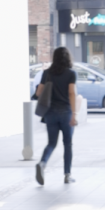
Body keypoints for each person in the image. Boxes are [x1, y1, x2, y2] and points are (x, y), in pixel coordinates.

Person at [35, 46, 78, 186]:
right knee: (67, 144)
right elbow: (72, 93)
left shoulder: (47, 73)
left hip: (50, 113)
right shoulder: (71, 74)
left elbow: (38, 93)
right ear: (68, 58)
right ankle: (67, 175)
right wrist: (74, 114)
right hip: (66, 112)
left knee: (52, 143)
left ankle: (42, 164)